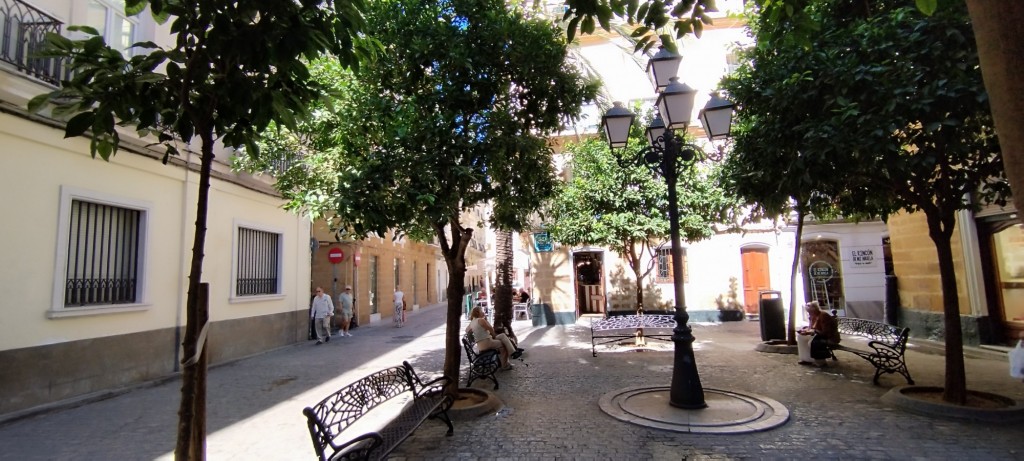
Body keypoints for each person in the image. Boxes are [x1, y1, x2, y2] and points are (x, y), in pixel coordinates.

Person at [797, 301, 840, 367]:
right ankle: (806, 359)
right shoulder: (812, 316)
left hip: (829, 337)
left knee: (812, 342)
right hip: (818, 335)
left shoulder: (823, 315)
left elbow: (825, 332)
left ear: (815, 310)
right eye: (808, 312)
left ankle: (821, 362)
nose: (809, 314)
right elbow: (810, 328)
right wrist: (804, 331)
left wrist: (812, 332)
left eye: (810, 312)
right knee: (800, 337)